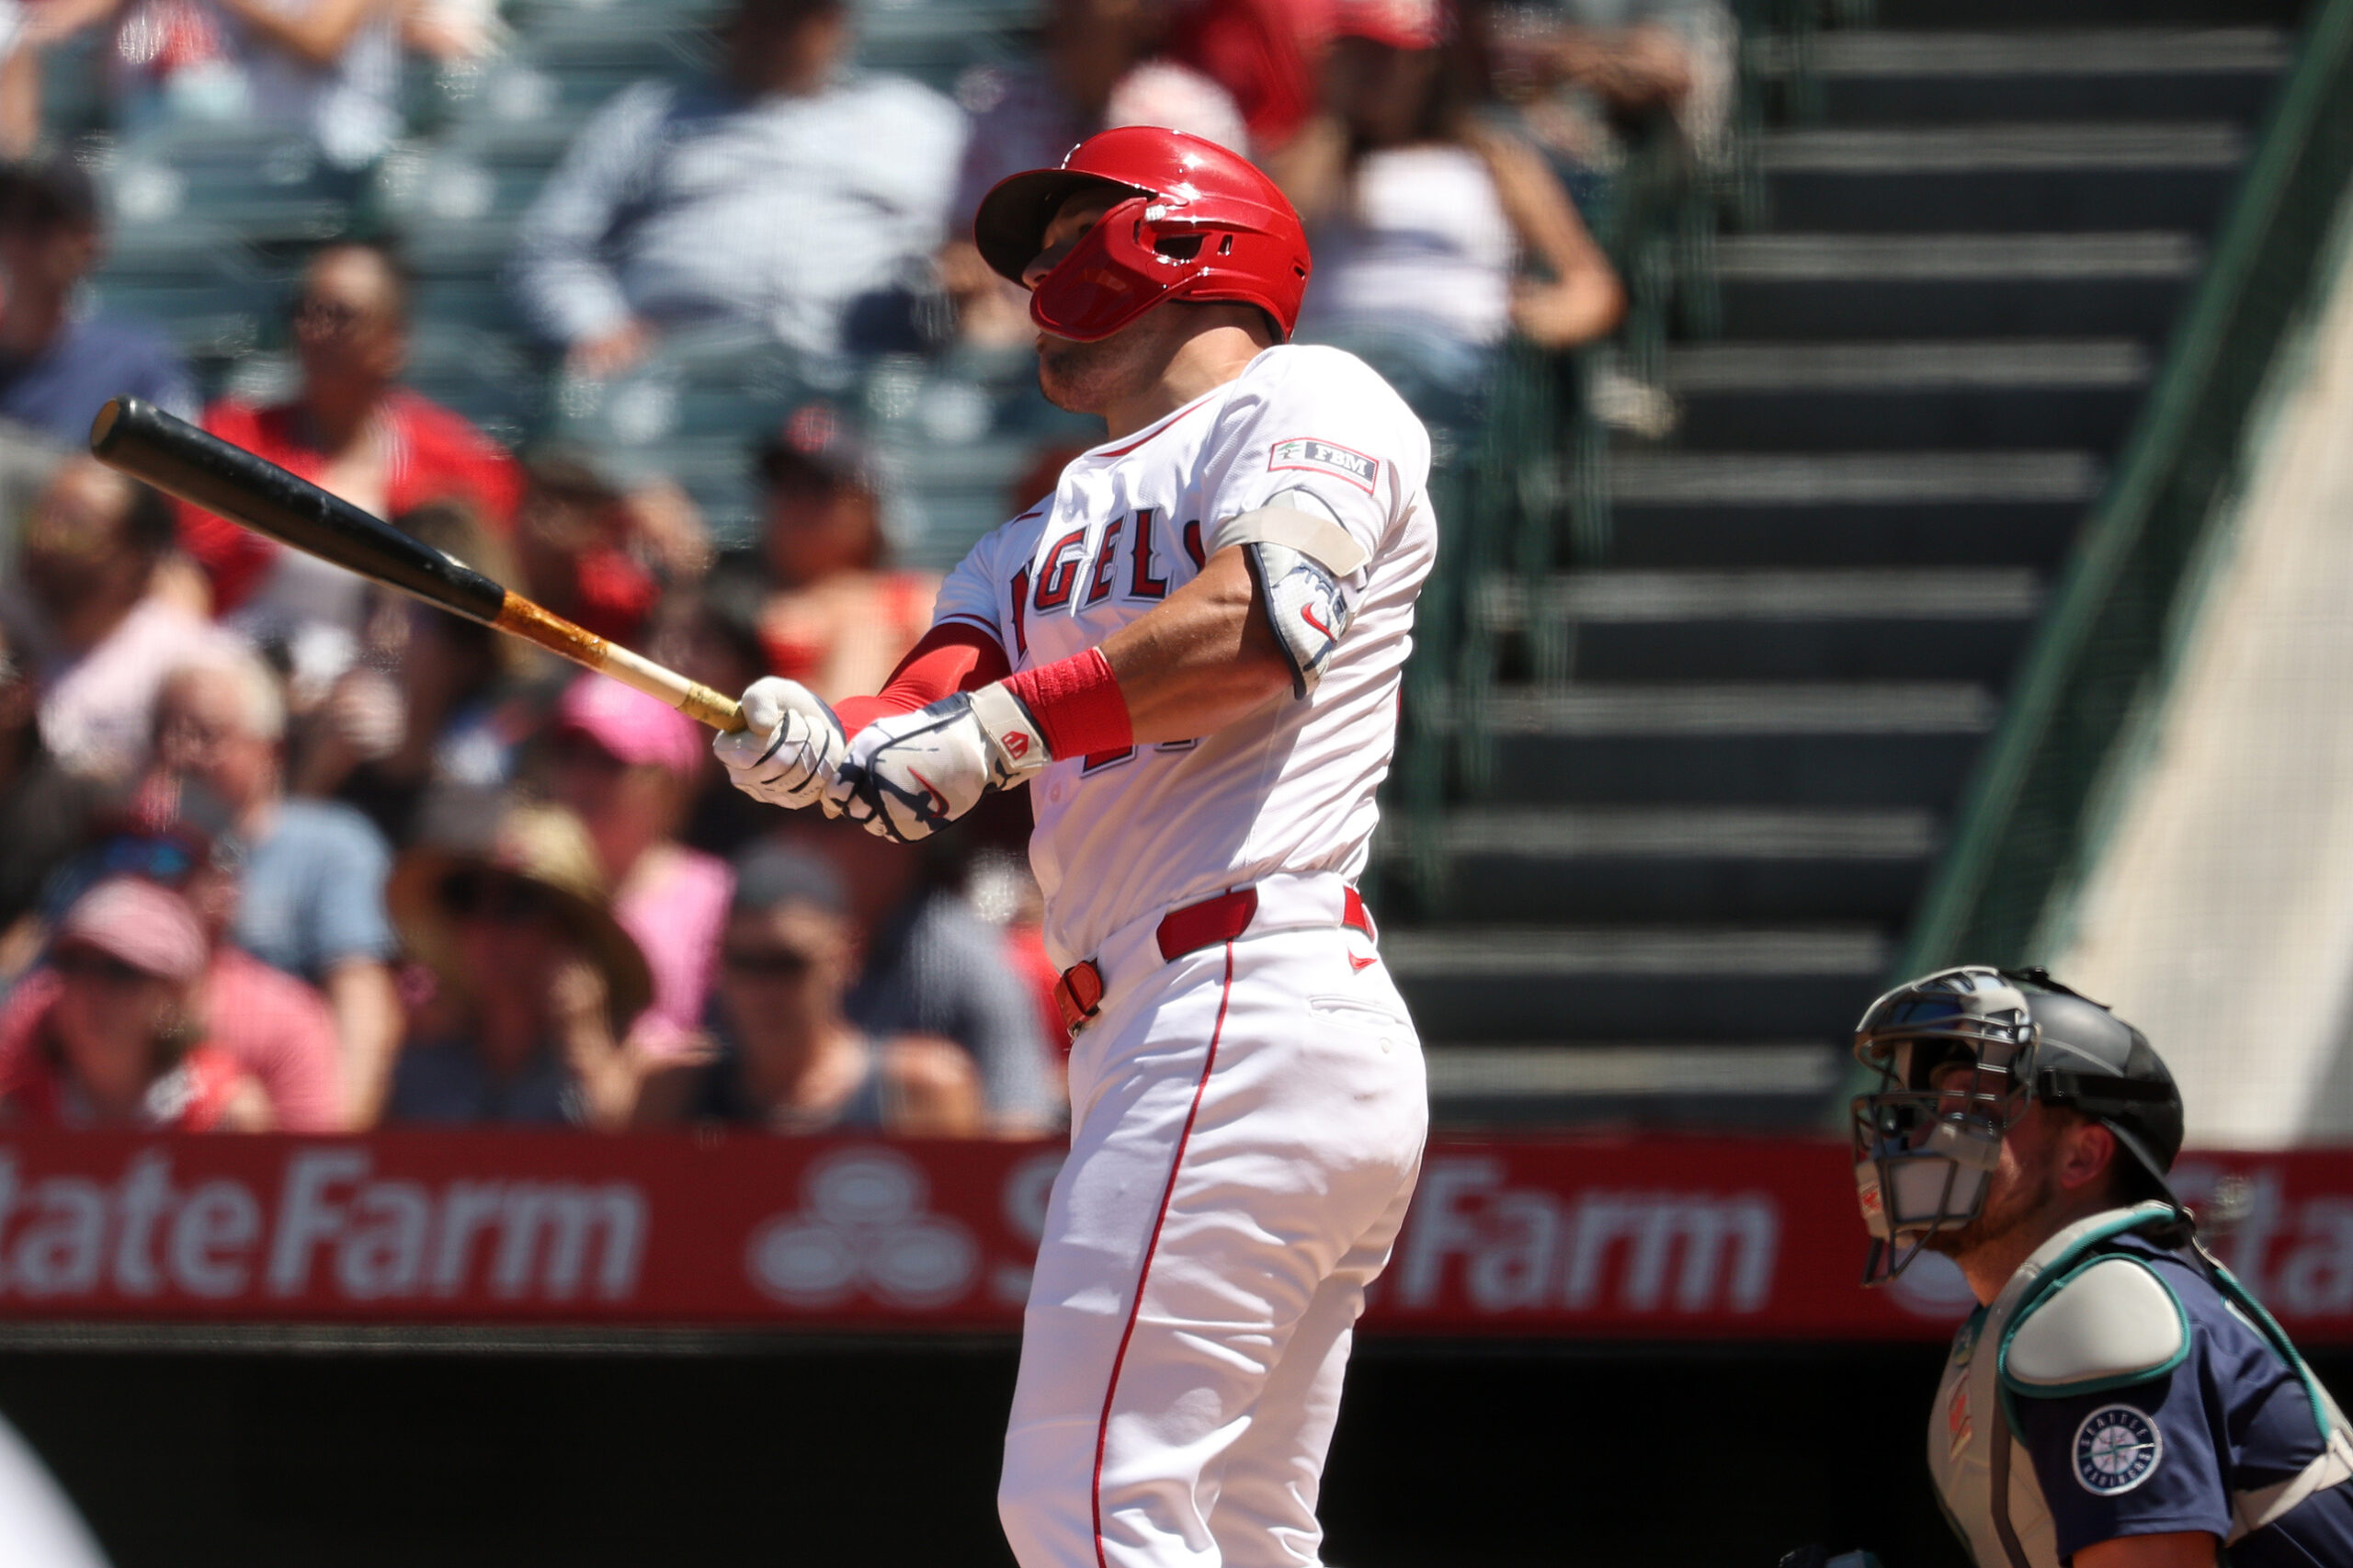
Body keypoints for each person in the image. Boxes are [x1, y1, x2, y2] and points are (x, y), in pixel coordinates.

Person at [714, 127, 1429, 1568]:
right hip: (1177, 1023)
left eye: (1065, 235)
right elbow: (925, 712)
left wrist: (990, 733)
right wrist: (814, 741)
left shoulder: (1307, 395)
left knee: (1084, 1502)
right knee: (1239, 1526)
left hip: (1249, 983)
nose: (1036, 275)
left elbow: (1257, 626)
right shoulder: (1032, 529)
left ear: (1181, 240)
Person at [1849, 965, 2353, 1568]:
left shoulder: (2098, 1309)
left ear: (2084, 1155)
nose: (1929, 1131)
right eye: (1934, 1105)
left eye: (1973, 1102)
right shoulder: (2037, 1314)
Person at [506, 0, 965, 375]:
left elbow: (977, 244)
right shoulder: (651, 116)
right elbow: (552, 247)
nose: (780, 33)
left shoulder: (917, 121)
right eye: (767, 13)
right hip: (673, 373)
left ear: (839, 21)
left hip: (863, 372)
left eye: (803, 17)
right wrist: (597, 325)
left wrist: (960, 269)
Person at [175, 241, 525, 687]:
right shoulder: (234, 437)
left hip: (387, 693)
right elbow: (184, 579)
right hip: (238, 679)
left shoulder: (456, 464)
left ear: (393, 340)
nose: (315, 331)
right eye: (305, 311)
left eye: (340, 317)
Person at [1286, 0, 1624, 422]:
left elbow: (1591, 285)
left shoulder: (1492, 156)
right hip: (1328, 354)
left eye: (1386, 55)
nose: (1370, 71)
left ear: (1427, 65)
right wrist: (1335, 122)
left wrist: (1541, 318)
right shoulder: (1317, 155)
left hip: (1448, 359)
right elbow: (1281, 241)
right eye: (1355, 54)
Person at [149, 645, 402, 1127]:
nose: (179, 751)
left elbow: (362, 1005)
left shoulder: (329, 846)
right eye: (164, 730)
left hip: (282, 1119)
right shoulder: (131, 848)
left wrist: (327, 1153)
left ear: (271, 748)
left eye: (205, 734)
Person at [0, 790, 346, 1130]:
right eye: (119, 852)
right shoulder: (41, 1005)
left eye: (167, 857)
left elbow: (307, 1169)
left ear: (225, 886)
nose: (136, 874)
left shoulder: (285, 1021)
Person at [636, 841, 983, 1134]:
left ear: (845, 958)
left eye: (788, 963)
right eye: (744, 962)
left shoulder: (918, 1091)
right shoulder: (672, 1091)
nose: (764, 990)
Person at [383, 796, 651, 1128]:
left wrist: (584, 1040)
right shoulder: (416, 1065)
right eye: (465, 897)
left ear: (569, 930)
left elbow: (633, 1162)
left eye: (516, 903)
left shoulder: (635, 1057)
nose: (484, 926)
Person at [0, 455, 232, 784]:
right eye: (40, 518)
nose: (44, 538)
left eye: (74, 528)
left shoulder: (182, 665)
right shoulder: (11, 623)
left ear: (136, 555)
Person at [540, 673, 731, 1064]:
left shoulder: (714, 899)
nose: (582, 779)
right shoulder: (517, 879)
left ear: (668, 782)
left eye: (609, 762)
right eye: (569, 755)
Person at [0, 876, 271, 1131]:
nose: (89, 989)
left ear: (172, 994)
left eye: (118, 972)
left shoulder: (226, 1114)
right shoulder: (14, 1111)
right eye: (74, 965)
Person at [0, 154, 197, 447]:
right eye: (6, 215)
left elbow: (180, 476)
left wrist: (118, 488)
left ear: (89, 242)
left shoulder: (133, 364)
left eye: (39, 220)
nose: (17, 237)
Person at [751, 404, 936, 705]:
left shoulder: (920, 602)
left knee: (863, 639)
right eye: (782, 485)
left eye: (818, 488)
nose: (795, 503)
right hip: (746, 749)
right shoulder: (730, 600)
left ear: (869, 504)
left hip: (891, 744)